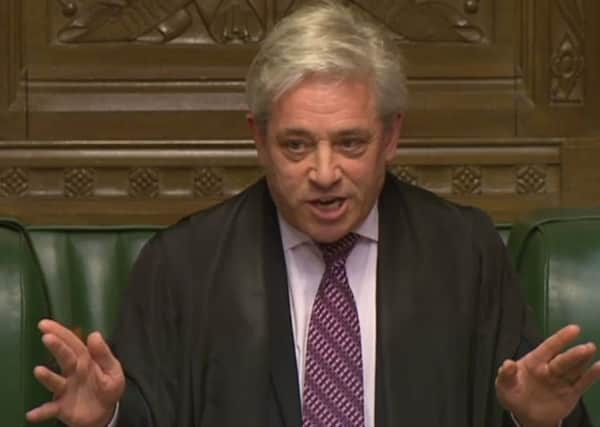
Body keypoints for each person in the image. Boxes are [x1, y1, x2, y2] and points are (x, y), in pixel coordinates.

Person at [26, 1, 600, 427]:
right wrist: (108, 419)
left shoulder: (464, 251)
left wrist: (540, 422)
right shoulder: (181, 266)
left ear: (391, 135)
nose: (324, 173)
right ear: (259, 138)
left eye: (350, 143)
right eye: (296, 145)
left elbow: (527, 402)